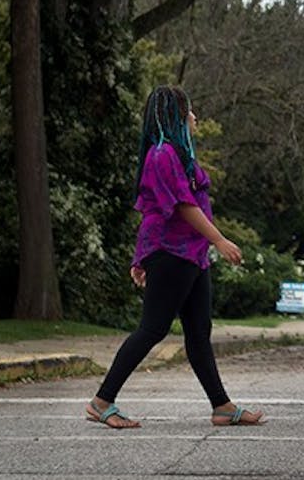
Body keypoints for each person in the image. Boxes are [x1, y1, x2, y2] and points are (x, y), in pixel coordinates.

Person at [86, 85, 264, 429]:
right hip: (171, 253)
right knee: (152, 328)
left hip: (191, 254)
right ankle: (101, 401)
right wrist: (220, 240)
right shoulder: (162, 154)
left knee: (199, 332)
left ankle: (222, 407)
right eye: (190, 111)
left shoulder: (180, 156)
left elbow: (164, 207)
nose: (195, 117)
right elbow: (181, 206)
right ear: (177, 116)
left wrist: (144, 257)